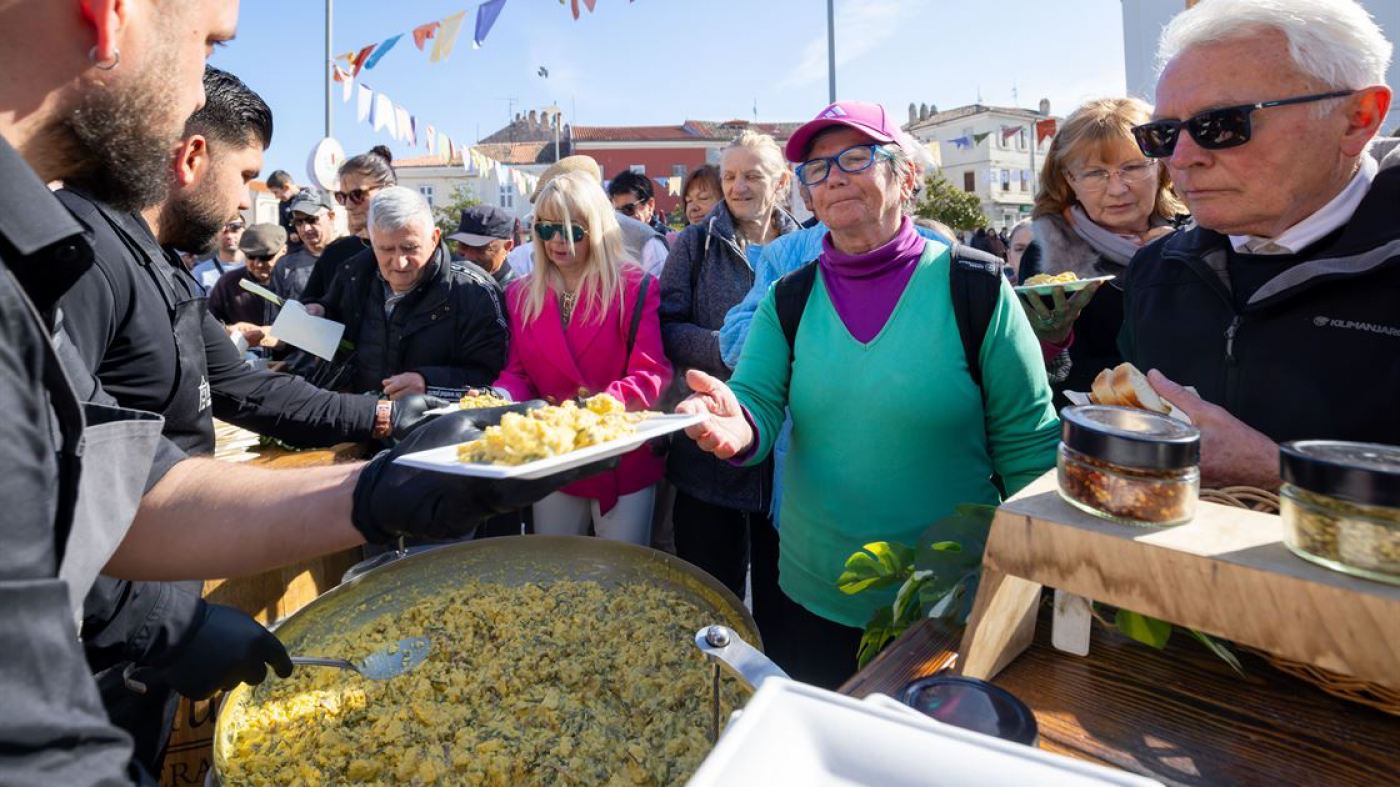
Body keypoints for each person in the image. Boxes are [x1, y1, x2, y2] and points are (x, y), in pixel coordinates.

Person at [56, 66, 445, 771]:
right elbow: (60, 487)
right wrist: (166, 627)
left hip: (153, 622)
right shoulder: (81, 261)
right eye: (245, 174)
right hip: (89, 651)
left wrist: (385, 415)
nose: (245, 200)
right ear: (192, 157)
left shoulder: (163, 267)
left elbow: (248, 391)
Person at [678, 100, 1060, 689]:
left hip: (947, 598)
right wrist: (738, 425)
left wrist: (1037, 584)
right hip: (812, 589)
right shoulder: (789, 297)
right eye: (817, 168)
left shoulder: (975, 287)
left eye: (856, 157)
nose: (833, 176)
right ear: (806, 194)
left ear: (904, 175)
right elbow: (755, 400)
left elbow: (1029, 448)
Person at [1120, 0, 1397, 489]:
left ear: (1358, 118)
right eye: (1162, 135)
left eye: (1222, 124)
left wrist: (1280, 474)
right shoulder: (1154, 272)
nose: (1181, 159)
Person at [492, 171, 672, 544]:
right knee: (554, 575)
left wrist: (603, 406)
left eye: (573, 230)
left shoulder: (634, 288)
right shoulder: (521, 294)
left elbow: (651, 372)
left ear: (597, 227)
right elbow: (518, 372)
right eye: (545, 229)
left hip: (620, 455)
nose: (557, 241)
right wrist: (500, 397)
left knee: (619, 579)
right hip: (553, 455)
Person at [659, 130, 797, 603]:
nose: (739, 187)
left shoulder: (808, 246)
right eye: (731, 176)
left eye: (753, 176)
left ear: (781, 182)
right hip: (709, 456)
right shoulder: (694, 245)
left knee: (784, 605)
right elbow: (668, 327)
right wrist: (727, 351)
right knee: (711, 599)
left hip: (790, 457)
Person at [1016, 97, 1187, 400]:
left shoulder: (1200, 236)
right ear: (1069, 180)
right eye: (1095, 173)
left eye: (1133, 167)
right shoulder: (1049, 254)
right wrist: (1050, 341)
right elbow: (1059, 379)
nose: (1118, 189)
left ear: (1161, 167)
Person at [313, 187, 509, 399]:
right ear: (372, 241)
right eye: (386, 249)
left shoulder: (475, 291)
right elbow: (334, 327)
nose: (399, 262)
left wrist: (428, 384)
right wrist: (317, 312)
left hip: (438, 428)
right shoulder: (353, 275)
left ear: (434, 238)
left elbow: (495, 380)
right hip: (362, 421)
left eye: (410, 248)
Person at [506, 155, 670, 278]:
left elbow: (663, 307)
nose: (557, 238)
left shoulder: (644, 240)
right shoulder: (528, 260)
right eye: (547, 227)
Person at [299, 145, 396, 306]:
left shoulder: (416, 248)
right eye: (342, 197)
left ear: (388, 191)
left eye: (357, 195)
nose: (348, 205)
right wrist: (317, 308)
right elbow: (309, 303)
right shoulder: (335, 253)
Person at [208, 223, 285, 345]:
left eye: (266, 257)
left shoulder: (296, 282)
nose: (258, 264)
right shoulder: (228, 283)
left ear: (284, 251)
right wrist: (229, 330)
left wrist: (273, 335)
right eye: (251, 257)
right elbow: (209, 323)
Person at [273, 187, 340, 302]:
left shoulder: (352, 257)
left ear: (331, 216)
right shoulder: (285, 266)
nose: (305, 228)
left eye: (312, 219)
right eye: (298, 222)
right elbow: (275, 315)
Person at [448, 204, 519, 286]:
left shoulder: (517, 295)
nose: (468, 257)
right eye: (463, 246)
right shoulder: (450, 285)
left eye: (480, 248)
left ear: (507, 247)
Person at [608, 168, 670, 236]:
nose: (623, 218)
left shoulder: (670, 241)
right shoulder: (614, 240)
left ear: (650, 205)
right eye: (617, 212)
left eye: (628, 209)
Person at [189, 218, 245, 290]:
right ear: (214, 236)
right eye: (222, 230)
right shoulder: (199, 273)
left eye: (235, 228)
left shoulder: (258, 268)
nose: (229, 236)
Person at [266, 168, 305, 251]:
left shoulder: (308, 196)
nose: (276, 196)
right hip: (295, 248)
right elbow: (282, 226)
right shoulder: (282, 204)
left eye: (276, 192)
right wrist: (290, 233)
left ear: (286, 186)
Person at [1003, 218, 1033, 283]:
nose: (1029, 254)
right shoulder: (999, 291)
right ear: (1009, 257)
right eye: (1020, 249)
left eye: (1038, 248)